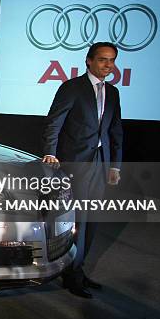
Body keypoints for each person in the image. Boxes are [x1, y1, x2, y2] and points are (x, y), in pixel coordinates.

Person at [41, 41, 123, 299]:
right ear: (89, 60)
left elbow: (115, 131)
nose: (107, 65)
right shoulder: (72, 87)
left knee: (93, 219)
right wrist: (50, 153)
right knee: (77, 221)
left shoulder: (113, 92)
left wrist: (115, 166)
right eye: (102, 60)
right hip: (75, 162)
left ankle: (78, 269)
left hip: (101, 162)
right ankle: (72, 274)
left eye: (111, 60)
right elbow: (54, 122)